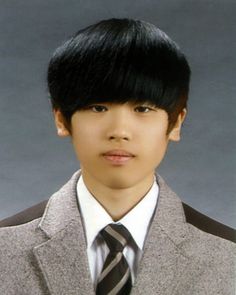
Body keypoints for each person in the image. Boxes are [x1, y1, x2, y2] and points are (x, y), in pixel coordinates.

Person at [0, 18, 235, 295]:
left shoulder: (228, 256)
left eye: (143, 109)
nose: (120, 131)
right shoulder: (5, 249)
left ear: (176, 123)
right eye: (98, 107)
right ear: (62, 119)